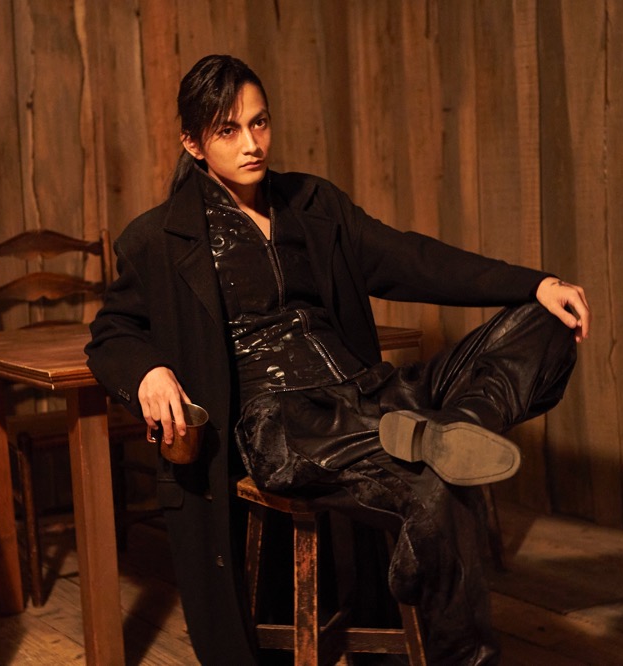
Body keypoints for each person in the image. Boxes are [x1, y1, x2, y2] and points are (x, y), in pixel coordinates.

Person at [86, 54, 589, 665]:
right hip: (284, 422)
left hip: (370, 393)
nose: (252, 143)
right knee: (435, 490)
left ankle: (456, 427)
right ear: (193, 143)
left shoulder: (313, 203)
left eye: (259, 122)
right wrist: (148, 371)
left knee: (546, 320)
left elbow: (412, 258)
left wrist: (534, 283)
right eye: (228, 130)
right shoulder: (158, 237)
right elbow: (111, 332)